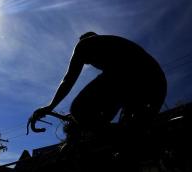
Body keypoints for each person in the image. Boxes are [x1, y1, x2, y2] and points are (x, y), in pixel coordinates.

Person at [29, 32, 167, 138]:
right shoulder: (116, 48)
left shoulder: (85, 44)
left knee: (78, 109)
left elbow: (69, 79)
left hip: (134, 76)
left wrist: (50, 107)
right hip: (157, 86)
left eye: (89, 61)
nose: (88, 63)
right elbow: (114, 98)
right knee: (129, 129)